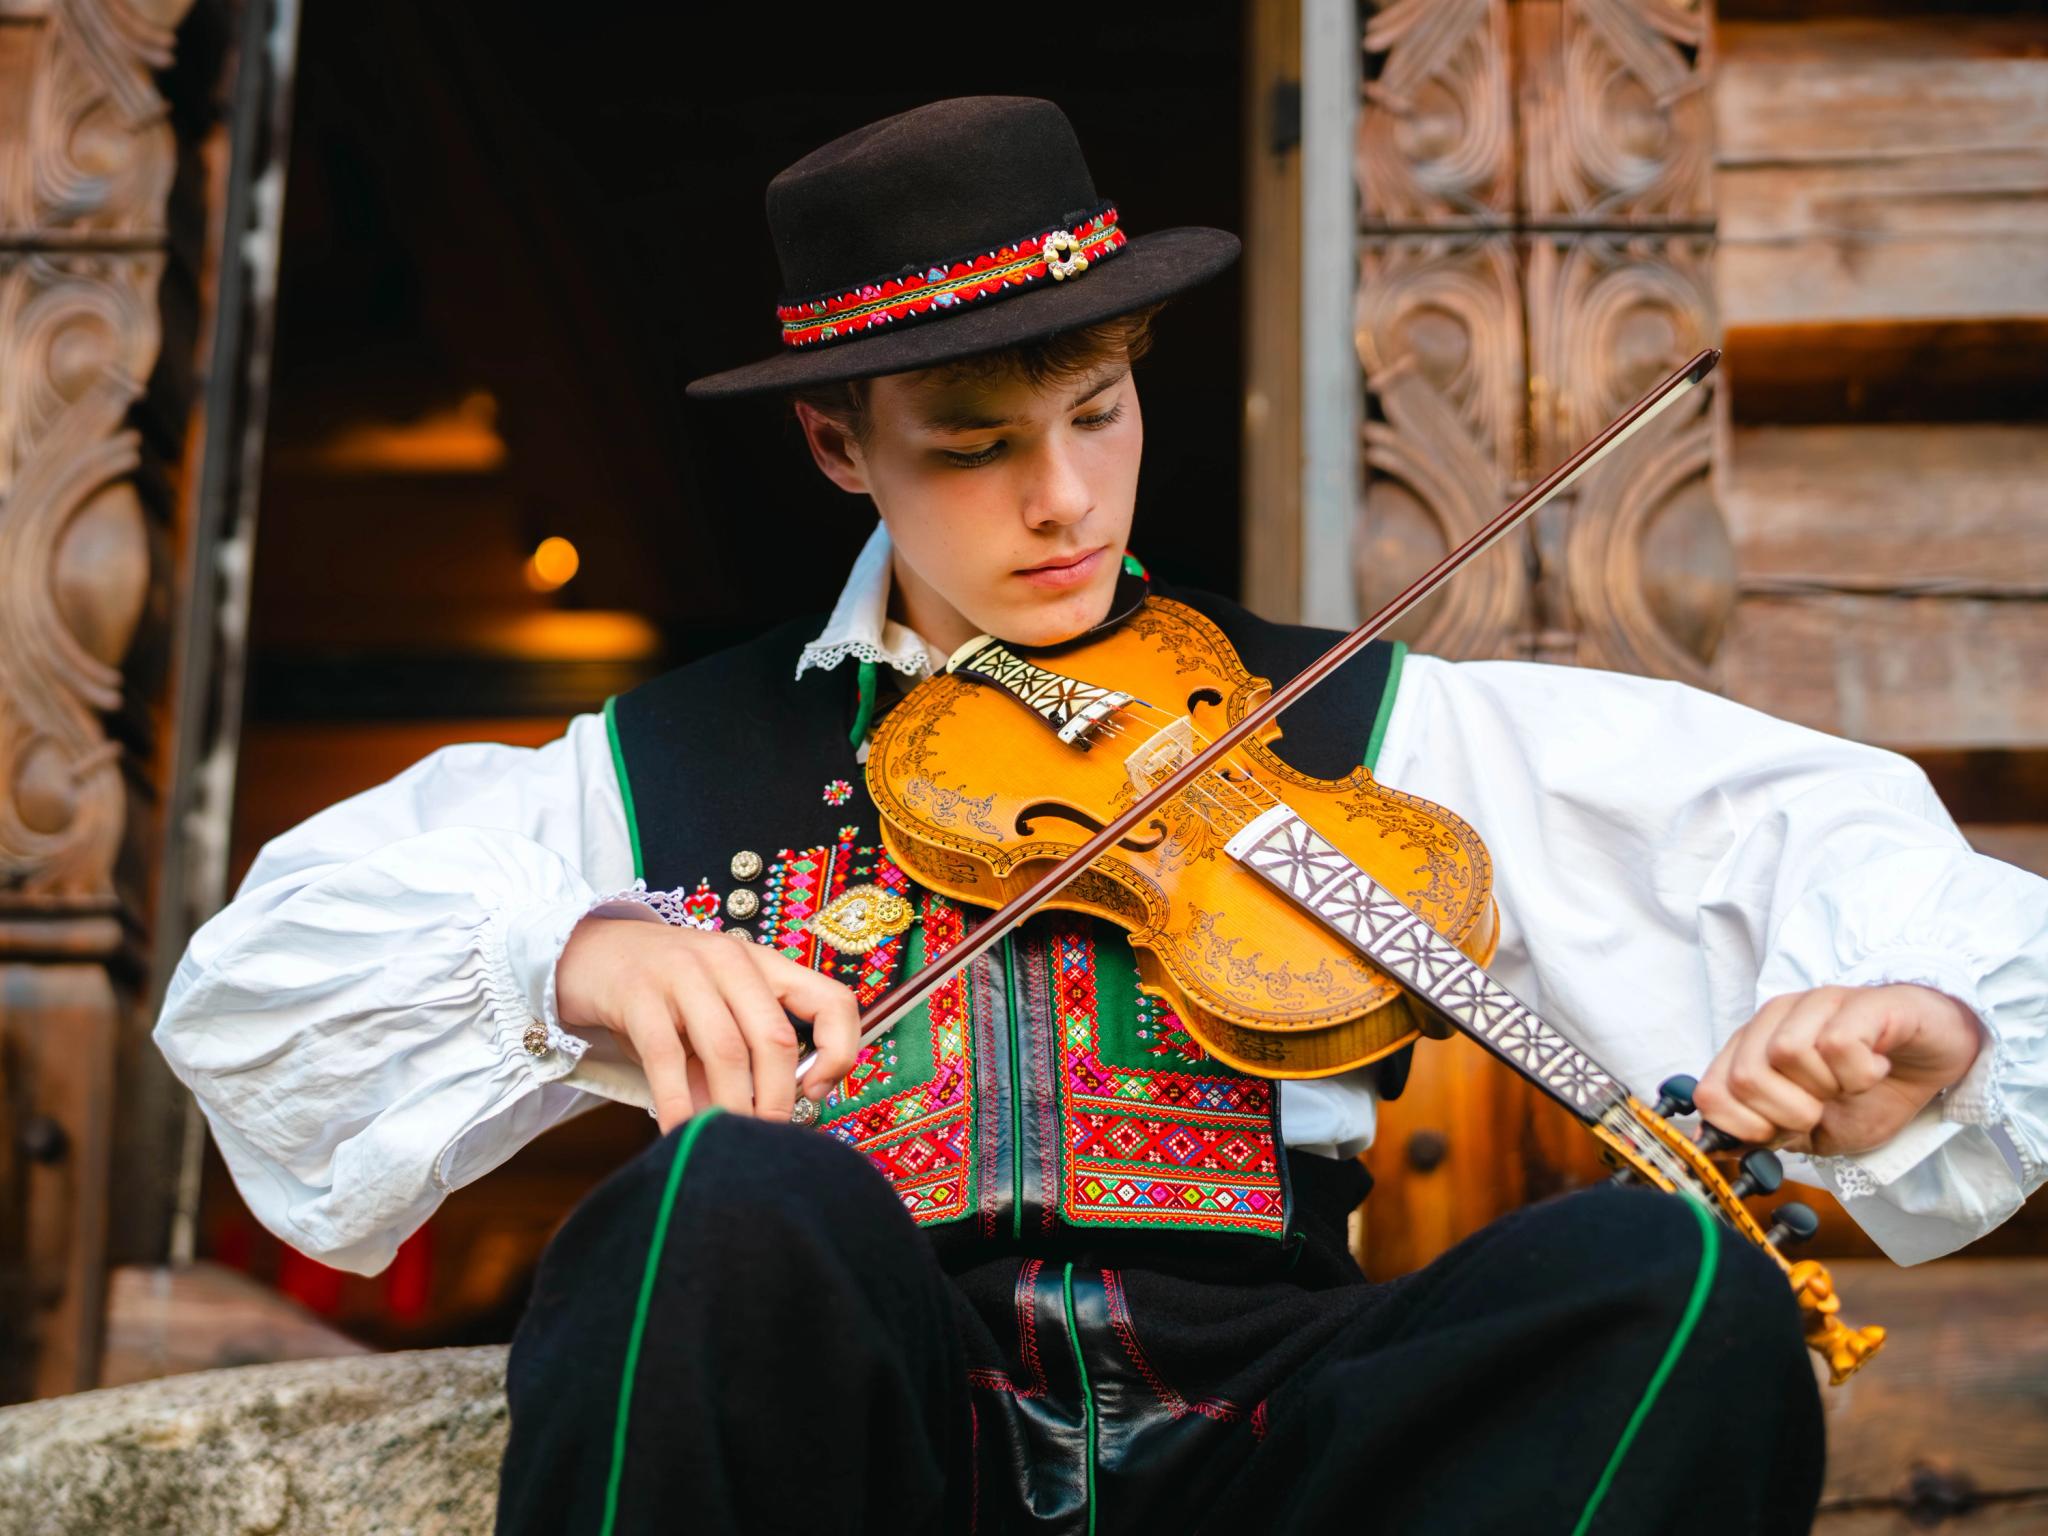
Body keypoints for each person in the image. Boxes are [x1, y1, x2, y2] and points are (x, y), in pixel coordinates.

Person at [154, 97, 2046, 1535]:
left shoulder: (1340, 716)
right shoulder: (655, 766)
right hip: (883, 1438)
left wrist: (1911, 1012)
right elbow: (263, 989)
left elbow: (1787, 840)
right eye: (972, 448)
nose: (1062, 501)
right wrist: (569, 948)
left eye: (1098, 412)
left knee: (1676, 1282)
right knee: (712, 1203)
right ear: (839, 446)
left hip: (1282, 1434)